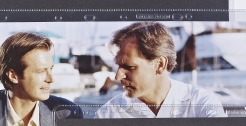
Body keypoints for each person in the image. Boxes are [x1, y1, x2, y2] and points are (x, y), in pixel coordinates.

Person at [95, 22, 227, 118]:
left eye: (129, 67)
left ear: (160, 65)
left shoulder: (203, 105)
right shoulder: (108, 114)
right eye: (118, 66)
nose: (118, 76)